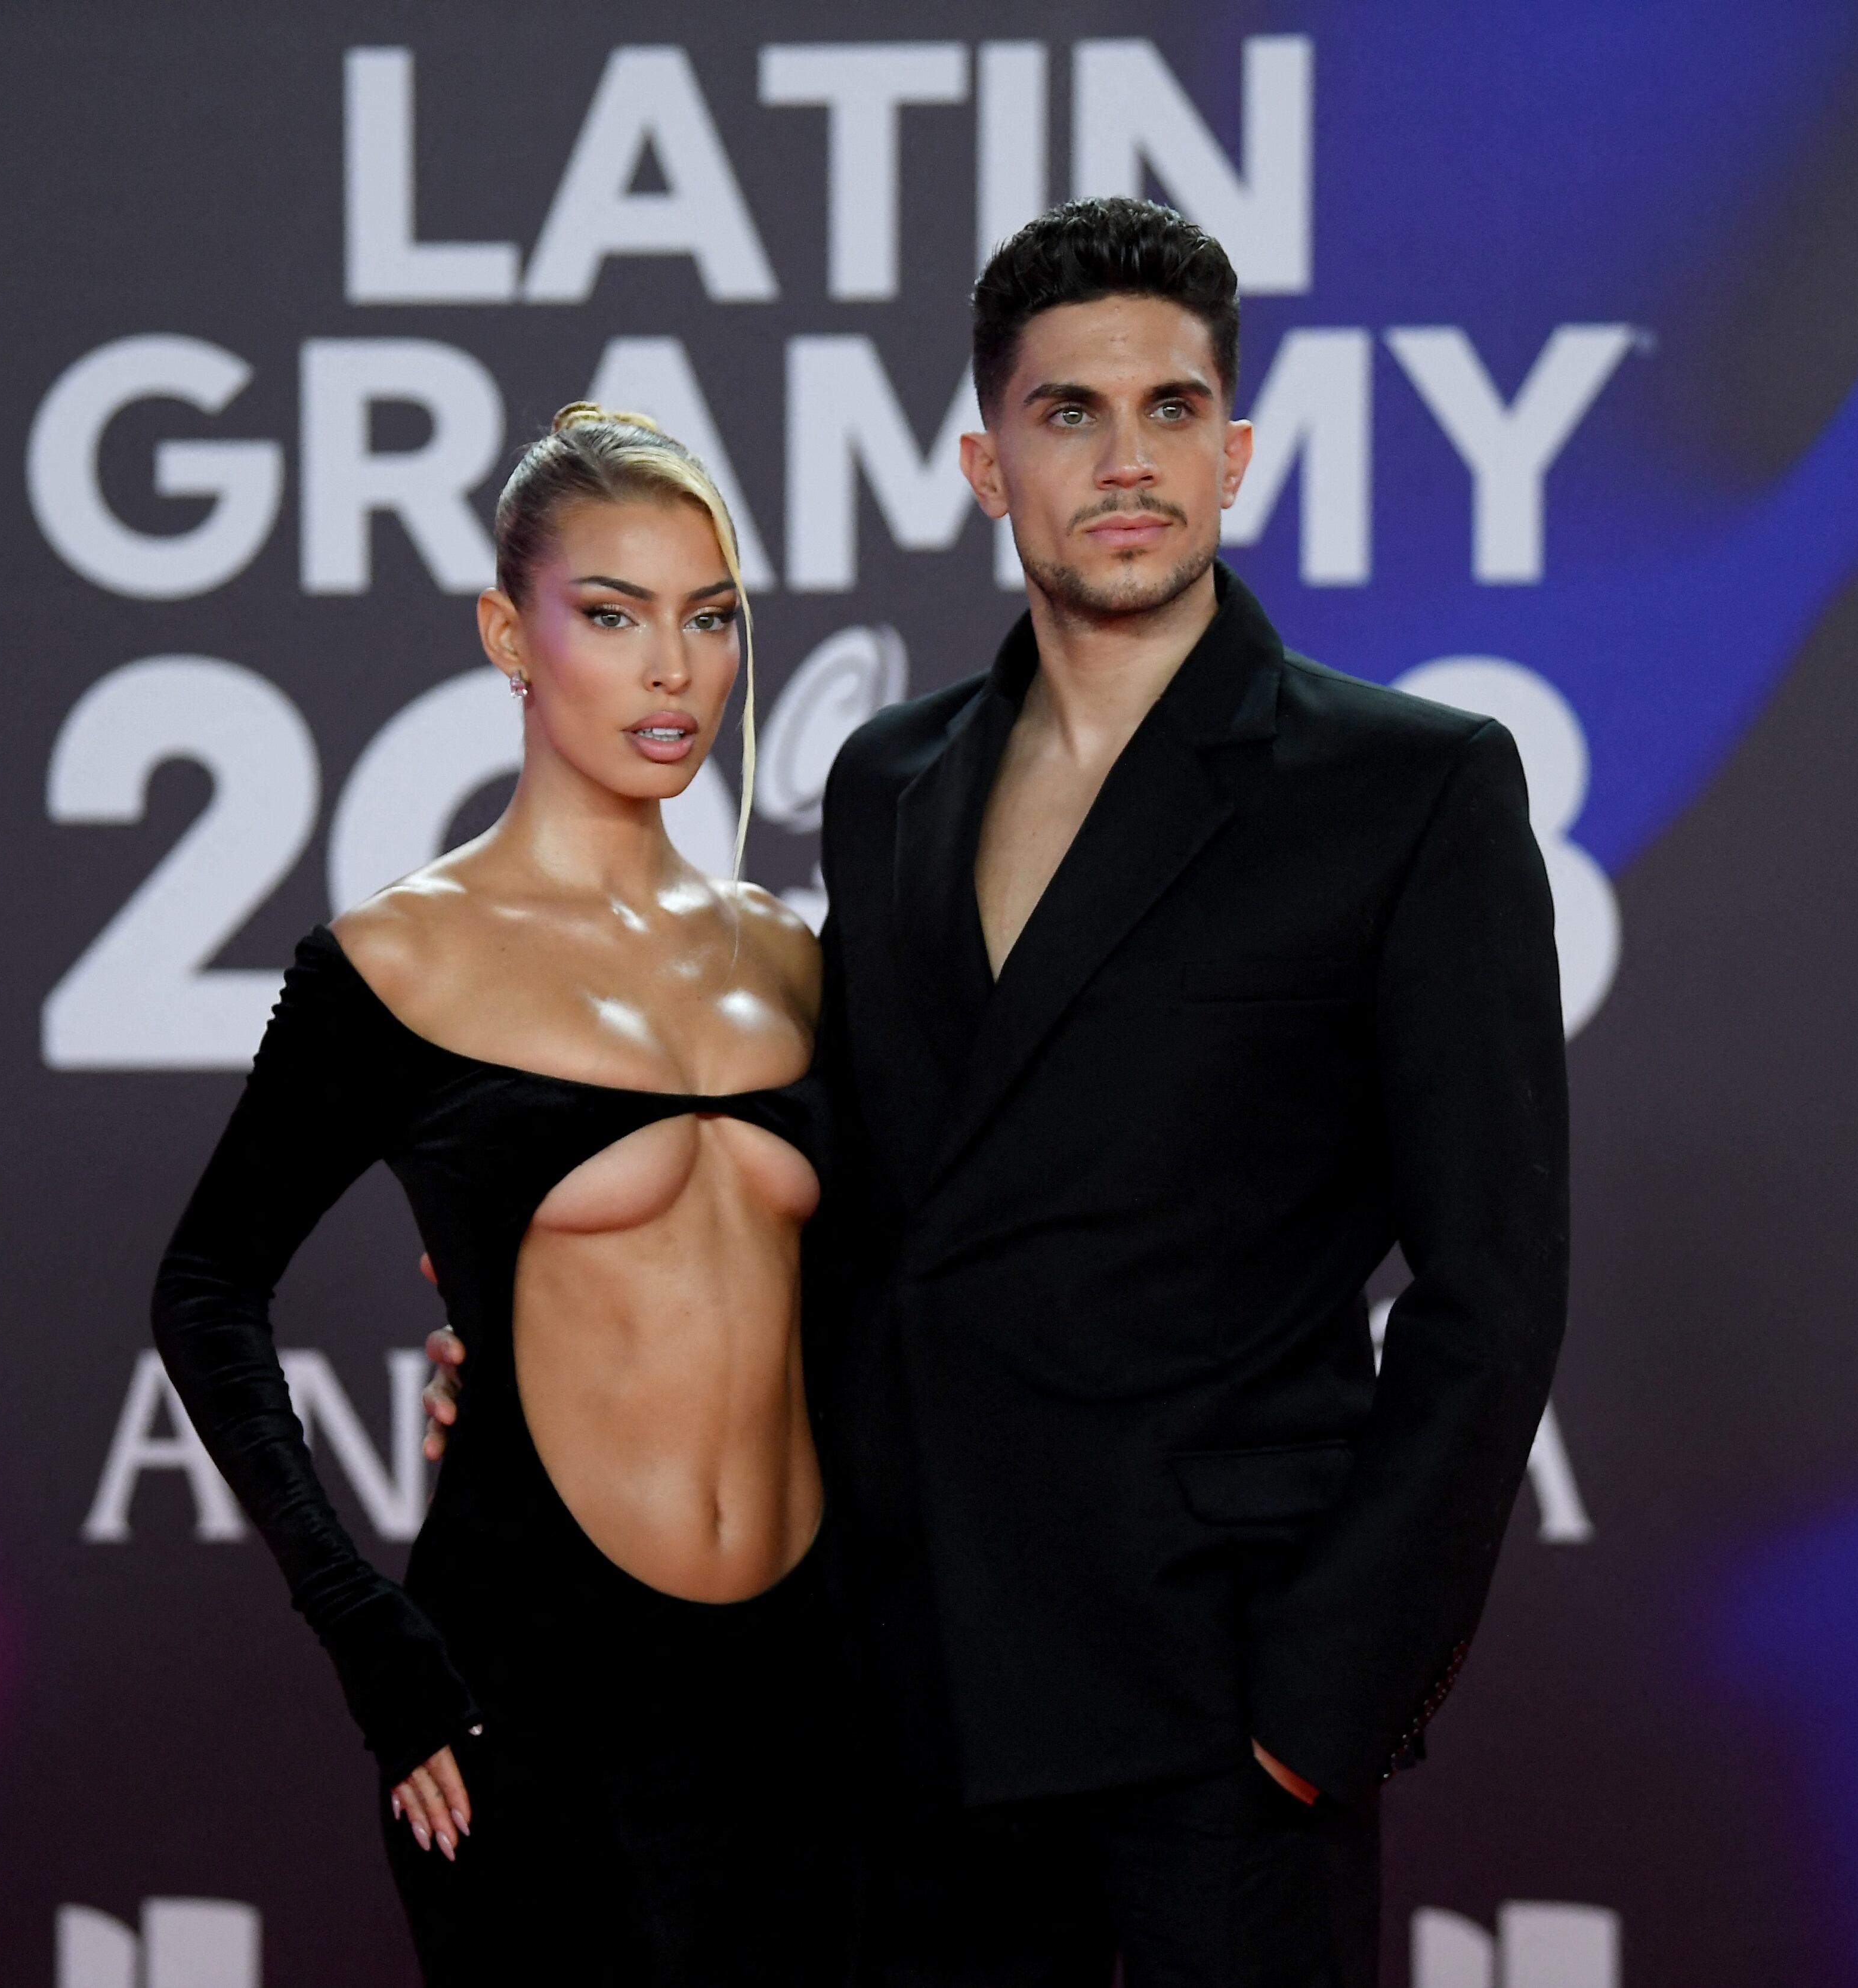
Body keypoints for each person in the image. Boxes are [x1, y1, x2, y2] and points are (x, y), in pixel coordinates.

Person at [428, 198, 1566, 1980]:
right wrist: (569, 1339)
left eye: (1172, 410)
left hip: (1213, 1708)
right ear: (983, 462)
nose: (1127, 462)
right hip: (908, 1688)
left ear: (1237, 449)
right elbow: (861, 1199)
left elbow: (1494, 1294)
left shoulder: (1406, 791)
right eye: (1069, 414)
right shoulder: (890, 783)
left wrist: (1321, 1702)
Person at [153, 404, 843, 1986]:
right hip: (533, 1697)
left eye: (710, 617)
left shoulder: (798, 957)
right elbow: (205, 1286)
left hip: (811, 1701)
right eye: (613, 616)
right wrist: (369, 1639)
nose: (673, 671)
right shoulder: (400, 960)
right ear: (508, 634)